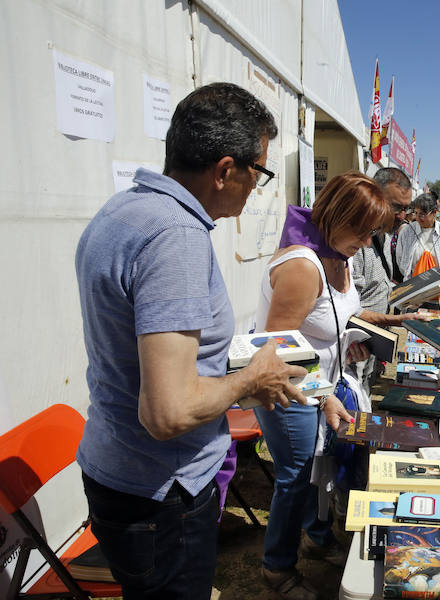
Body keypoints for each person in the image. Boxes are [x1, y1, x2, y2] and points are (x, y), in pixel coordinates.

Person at [74, 83, 344, 599]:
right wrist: (249, 379)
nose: (257, 188)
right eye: (259, 172)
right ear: (225, 171)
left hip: (122, 472)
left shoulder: (125, 210)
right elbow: (168, 412)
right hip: (160, 493)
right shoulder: (174, 237)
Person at [253, 172, 387, 598]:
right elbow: (277, 351)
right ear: (336, 215)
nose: (367, 242)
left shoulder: (335, 252)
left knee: (317, 469)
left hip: (323, 384)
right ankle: (277, 567)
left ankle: (317, 535)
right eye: (362, 231)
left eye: (373, 234)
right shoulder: (301, 265)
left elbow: (334, 320)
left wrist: (385, 325)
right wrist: (325, 394)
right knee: (294, 477)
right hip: (292, 390)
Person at [351, 168, 417, 393]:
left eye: (406, 208)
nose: (402, 215)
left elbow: (379, 283)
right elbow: (348, 308)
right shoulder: (353, 242)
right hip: (352, 350)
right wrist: (394, 320)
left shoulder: (383, 236)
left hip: (372, 344)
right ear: (374, 196)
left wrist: (409, 294)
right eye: (397, 207)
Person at [396, 193, 440, 313]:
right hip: (413, 293)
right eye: (416, 213)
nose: (419, 217)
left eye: (423, 214)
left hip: (438, 294)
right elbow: (401, 260)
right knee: (413, 328)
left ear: (434, 212)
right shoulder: (407, 232)